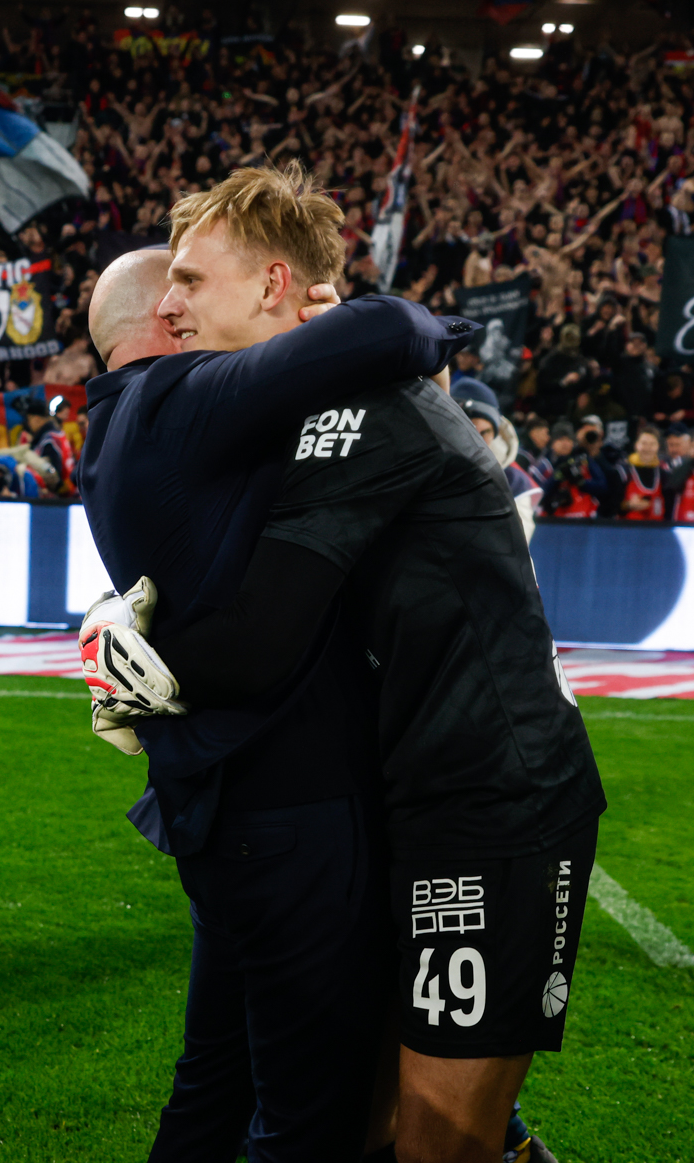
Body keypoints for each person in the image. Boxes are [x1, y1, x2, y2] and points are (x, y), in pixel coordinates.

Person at [102, 198, 606, 1161]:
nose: (169, 304)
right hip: (412, 794)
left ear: (274, 285)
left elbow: (260, 639)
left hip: (491, 798)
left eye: (192, 279)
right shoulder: (325, 399)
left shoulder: (355, 411)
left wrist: (136, 657)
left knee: (437, 1141)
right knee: (377, 1130)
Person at [77, 166, 477, 1163]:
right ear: (163, 319)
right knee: (308, 1121)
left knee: (211, 1088)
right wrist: (339, 322)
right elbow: (394, 330)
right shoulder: (182, 397)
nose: (182, 301)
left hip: (218, 809)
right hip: (294, 809)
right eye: (177, 285)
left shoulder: (111, 427)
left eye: (193, 278)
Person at [452, 376, 541, 544]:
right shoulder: (427, 467)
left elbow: (516, 544)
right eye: (469, 430)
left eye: (484, 432)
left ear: (495, 433)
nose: (477, 440)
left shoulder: (513, 481)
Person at [534, 420, 608, 519]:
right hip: (551, 520)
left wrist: (582, 482)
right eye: (560, 439)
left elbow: (602, 487)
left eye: (569, 440)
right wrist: (556, 477)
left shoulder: (582, 459)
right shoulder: (543, 464)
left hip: (582, 517)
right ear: (552, 443)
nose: (565, 444)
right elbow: (536, 495)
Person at [621, 428, 665, 521]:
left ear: (658, 446)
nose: (647, 448)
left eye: (652, 444)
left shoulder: (663, 474)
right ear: (636, 445)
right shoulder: (624, 471)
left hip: (657, 527)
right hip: (630, 527)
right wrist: (628, 505)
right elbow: (611, 504)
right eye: (644, 443)